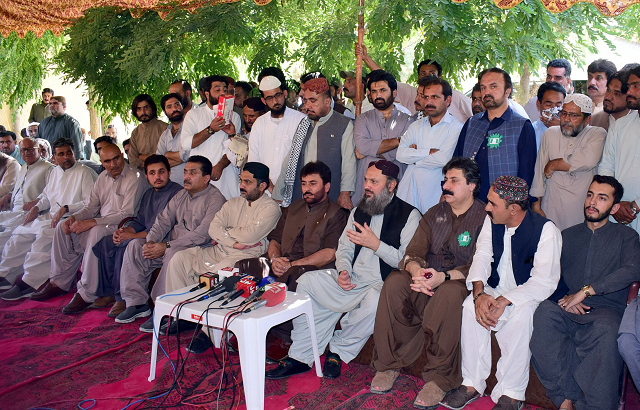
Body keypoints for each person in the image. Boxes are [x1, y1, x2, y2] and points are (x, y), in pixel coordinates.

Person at [266, 160, 421, 380]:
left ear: (391, 186)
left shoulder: (410, 216)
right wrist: (343, 271)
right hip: (352, 278)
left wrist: (375, 244)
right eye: (366, 179)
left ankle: (338, 351)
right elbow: (345, 249)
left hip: (380, 282)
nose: (366, 185)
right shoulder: (359, 211)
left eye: (374, 181)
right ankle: (301, 355)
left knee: (376, 301)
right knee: (307, 282)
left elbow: (407, 261)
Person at [370, 157, 486, 408]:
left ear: (472, 186)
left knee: (450, 294)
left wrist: (443, 278)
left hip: (457, 282)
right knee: (394, 282)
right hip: (427, 278)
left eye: (454, 181)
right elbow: (412, 253)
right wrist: (416, 273)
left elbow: (481, 264)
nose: (446, 185)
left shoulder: (484, 217)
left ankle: (439, 379)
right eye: (445, 180)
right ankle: (389, 365)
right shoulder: (435, 212)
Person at [441, 176, 562, 410]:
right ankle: (472, 384)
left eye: (493, 204)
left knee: (523, 315)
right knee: (469, 307)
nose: (486, 208)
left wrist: (507, 300)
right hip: (495, 287)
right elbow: (482, 256)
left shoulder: (547, 231)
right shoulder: (492, 222)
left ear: (514, 209)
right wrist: (479, 294)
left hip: (527, 293)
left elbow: (544, 281)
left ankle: (512, 393)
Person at [531, 175, 640, 410]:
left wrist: (586, 292)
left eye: (602, 198)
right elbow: (551, 275)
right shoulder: (567, 236)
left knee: (607, 331)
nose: (592, 202)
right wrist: (563, 298)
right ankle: (563, 400)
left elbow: (632, 270)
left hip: (606, 311)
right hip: (567, 305)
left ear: (615, 207)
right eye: (590, 195)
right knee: (542, 315)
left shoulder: (627, 237)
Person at [165, 162, 281, 353]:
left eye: (248, 182)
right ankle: (184, 316)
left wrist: (227, 234)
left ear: (262, 186)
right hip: (223, 249)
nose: (241, 185)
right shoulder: (233, 203)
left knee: (216, 274)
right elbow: (213, 228)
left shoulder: (270, 208)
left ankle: (209, 332)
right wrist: (234, 240)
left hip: (245, 257)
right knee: (179, 259)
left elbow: (249, 236)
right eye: (241, 180)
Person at [29, 144, 147, 314]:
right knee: (62, 228)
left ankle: (87, 292)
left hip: (124, 225)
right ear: (102, 162)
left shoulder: (135, 177)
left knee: (96, 231)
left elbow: (127, 213)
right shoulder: (102, 178)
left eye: (116, 158)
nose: (113, 164)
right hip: (102, 221)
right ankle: (59, 281)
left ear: (122, 156)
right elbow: (91, 207)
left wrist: (92, 222)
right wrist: (75, 217)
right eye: (107, 161)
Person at [123, 156, 226, 330]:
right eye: (185, 172)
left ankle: (163, 311)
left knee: (173, 254)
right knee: (135, 246)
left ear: (206, 178)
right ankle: (137, 302)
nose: (186, 176)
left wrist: (167, 246)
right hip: (172, 245)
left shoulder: (215, 199)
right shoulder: (181, 195)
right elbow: (162, 221)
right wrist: (151, 242)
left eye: (192, 173)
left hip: (197, 250)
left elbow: (203, 234)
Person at [0, 138, 97, 300]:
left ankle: (30, 282)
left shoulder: (85, 173)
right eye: (61, 154)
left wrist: (66, 209)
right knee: (21, 231)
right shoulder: (55, 172)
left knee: (43, 237)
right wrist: (36, 208)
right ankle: (6, 274)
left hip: (69, 219)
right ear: (54, 157)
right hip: (50, 215)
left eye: (68, 153)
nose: (65, 157)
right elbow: (45, 196)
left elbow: (90, 204)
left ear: (74, 153)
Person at [90, 154, 183, 318]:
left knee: (128, 245)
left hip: (162, 240)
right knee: (107, 242)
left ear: (169, 172)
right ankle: (108, 293)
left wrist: (133, 237)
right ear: (146, 176)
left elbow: (166, 229)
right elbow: (140, 220)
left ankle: (125, 299)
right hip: (143, 235)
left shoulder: (177, 193)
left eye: (161, 172)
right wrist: (126, 231)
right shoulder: (149, 194)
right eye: (152, 173)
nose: (157, 177)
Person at [453, 67, 537, 203]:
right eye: (483, 88)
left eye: (493, 87)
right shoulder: (471, 123)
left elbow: (526, 175)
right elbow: (456, 163)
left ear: (507, 91)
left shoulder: (522, 126)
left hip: (503, 207)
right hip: (468, 204)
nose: (487, 92)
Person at [273, 76, 356, 209]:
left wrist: (345, 193)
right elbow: (290, 160)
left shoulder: (344, 124)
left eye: (313, 101)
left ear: (327, 101)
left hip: (330, 196)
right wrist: (278, 192)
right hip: (301, 195)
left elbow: (349, 163)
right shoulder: (304, 124)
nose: (307, 106)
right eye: (305, 101)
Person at [530, 94, 606, 230]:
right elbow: (539, 170)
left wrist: (554, 164)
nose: (566, 119)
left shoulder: (597, 134)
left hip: (581, 206)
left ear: (587, 119)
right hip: (551, 203)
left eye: (574, 115)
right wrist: (536, 204)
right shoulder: (551, 133)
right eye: (563, 113)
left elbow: (588, 160)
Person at [396, 76, 463, 213]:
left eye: (435, 97)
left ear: (448, 100)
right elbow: (400, 155)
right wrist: (427, 152)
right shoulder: (416, 126)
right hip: (408, 194)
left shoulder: (456, 127)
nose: (429, 102)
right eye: (426, 97)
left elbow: (444, 159)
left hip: (433, 196)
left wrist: (414, 159)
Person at [355, 44, 473, 122]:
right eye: (423, 73)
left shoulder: (454, 96)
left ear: (440, 78)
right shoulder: (410, 93)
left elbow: (476, 116)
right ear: (417, 78)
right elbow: (386, 80)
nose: (427, 76)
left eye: (432, 73)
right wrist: (366, 58)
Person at [353, 70, 415, 202]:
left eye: (382, 90)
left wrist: (371, 152)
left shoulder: (408, 120)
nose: (378, 95)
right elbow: (363, 147)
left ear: (394, 92)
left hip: (398, 185)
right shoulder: (362, 119)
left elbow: (406, 153)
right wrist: (399, 140)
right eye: (374, 91)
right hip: (367, 189)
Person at [180, 75, 242, 199]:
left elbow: (235, 149)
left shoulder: (234, 116)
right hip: (200, 175)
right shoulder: (194, 114)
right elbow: (186, 144)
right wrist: (210, 130)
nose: (222, 93)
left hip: (226, 174)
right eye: (217, 90)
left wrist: (220, 166)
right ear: (207, 94)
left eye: (224, 89)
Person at [598, 65, 640, 234]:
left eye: (635, 86)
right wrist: (614, 203)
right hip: (620, 215)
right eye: (628, 87)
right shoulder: (619, 126)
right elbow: (606, 168)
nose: (630, 91)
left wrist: (635, 206)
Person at [248, 75, 306, 190]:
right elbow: (254, 162)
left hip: (294, 189)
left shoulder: (301, 120)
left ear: (285, 94)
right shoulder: (259, 124)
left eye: (277, 95)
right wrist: (270, 188)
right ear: (263, 101)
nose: (275, 101)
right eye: (269, 98)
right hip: (265, 191)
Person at [0, 138, 54, 246]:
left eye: (30, 149)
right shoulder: (24, 167)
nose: (26, 153)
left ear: (38, 150)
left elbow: (52, 194)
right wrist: (9, 195)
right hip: (13, 211)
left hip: (30, 214)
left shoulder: (49, 168)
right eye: (23, 150)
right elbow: (20, 189)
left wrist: (36, 203)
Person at [34, 96, 84, 160]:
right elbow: (37, 142)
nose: (52, 105)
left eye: (55, 103)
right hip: (45, 162)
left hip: (65, 162)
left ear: (64, 107)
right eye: (50, 103)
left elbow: (77, 149)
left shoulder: (71, 123)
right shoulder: (44, 123)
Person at [127, 94, 168, 170]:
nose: (143, 112)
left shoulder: (165, 128)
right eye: (139, 109)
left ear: (152, 108)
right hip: (142, 176)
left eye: (146, 107)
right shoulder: (135, 133)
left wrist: (141, 157)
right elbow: (132, 160)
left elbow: (167, 156)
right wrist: (153, 160)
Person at [155, 93, 186, 185]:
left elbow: (190, 154)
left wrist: (168, 154)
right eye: (169, 107)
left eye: (177, 104)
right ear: (164, 112)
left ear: (182, 106)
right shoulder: (165, 135)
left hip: (191, 185)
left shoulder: (191, 129)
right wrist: (181, 157)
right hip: (170, 187)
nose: (174, 109)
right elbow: (159, 162)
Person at [530, 81, 567, 150]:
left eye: (558, 105)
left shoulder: (572, 130)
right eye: (548, 105)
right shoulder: (530, 131)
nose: (554, 109)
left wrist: (562, 128)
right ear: (538, 104)